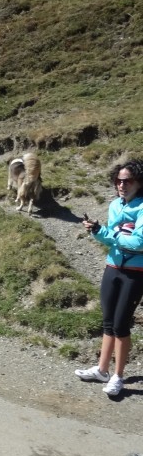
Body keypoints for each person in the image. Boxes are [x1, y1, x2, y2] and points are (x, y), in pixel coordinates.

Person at [75, 156, 143, 397]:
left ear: (139, 182)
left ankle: (118, 376)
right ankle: (102, 370)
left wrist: (108, 234)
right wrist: (96, 230)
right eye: (118, 180)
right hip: (112, 266)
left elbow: (139, 241)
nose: (121, 185)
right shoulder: (115, 205)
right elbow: (110, 238)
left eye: (127, 181)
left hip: (135, 272)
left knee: (121, 325)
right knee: (108, 322)